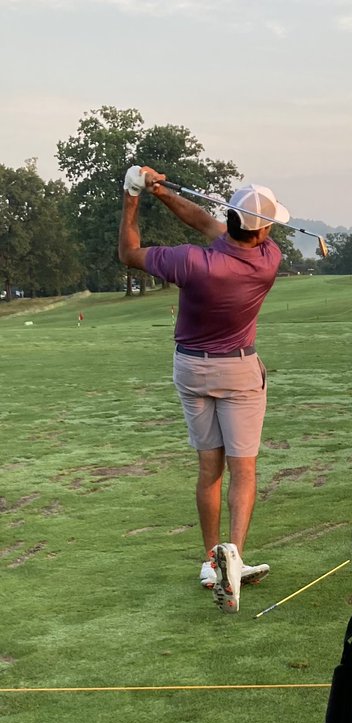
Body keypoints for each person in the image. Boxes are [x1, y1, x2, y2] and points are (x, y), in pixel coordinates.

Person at [117, 166, 288, 614]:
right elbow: (208, 223)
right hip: (238, 371)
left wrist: (136, 195)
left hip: (191, 369)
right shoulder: (269, 259)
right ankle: (233, 557)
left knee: (209, 468)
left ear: (231, 218)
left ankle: (212, 562)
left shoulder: (192, 261)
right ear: (264, 230)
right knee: (243, 470)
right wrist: (160, 192)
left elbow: (130, 253)